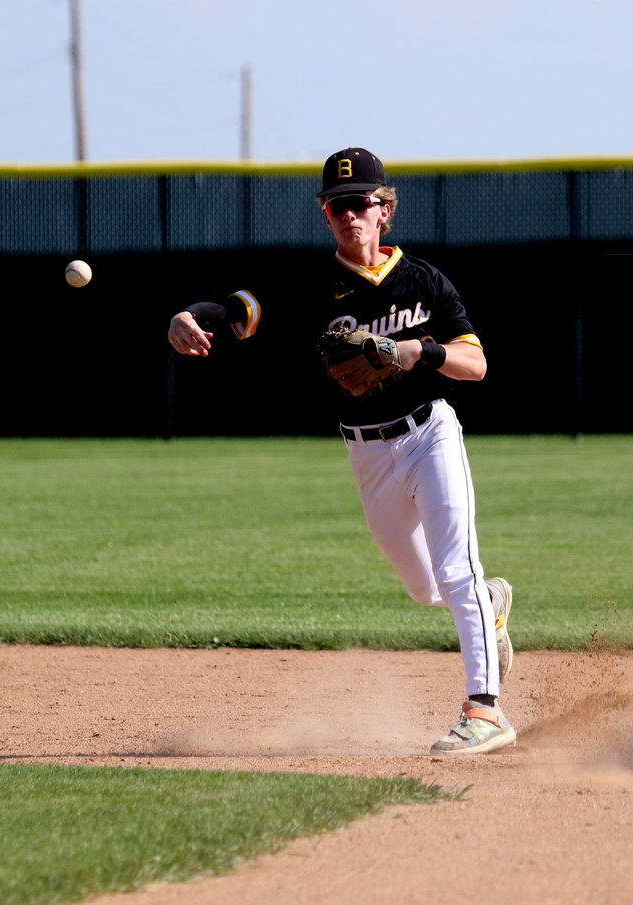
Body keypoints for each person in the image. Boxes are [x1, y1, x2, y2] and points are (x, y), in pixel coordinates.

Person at [166, 147, 517, 755]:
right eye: (337, 207)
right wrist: (187, 315)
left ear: (385, 211)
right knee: (426, 589)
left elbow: (477, 364)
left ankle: (484, 711)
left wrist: (416, 353)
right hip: (368, 454)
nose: (349, 215)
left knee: (457, 568)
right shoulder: (313, 287)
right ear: (326, 215)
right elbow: (237, 311)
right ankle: (489, 607)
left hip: (431, 432)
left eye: (361, 204)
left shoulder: (424, 280)